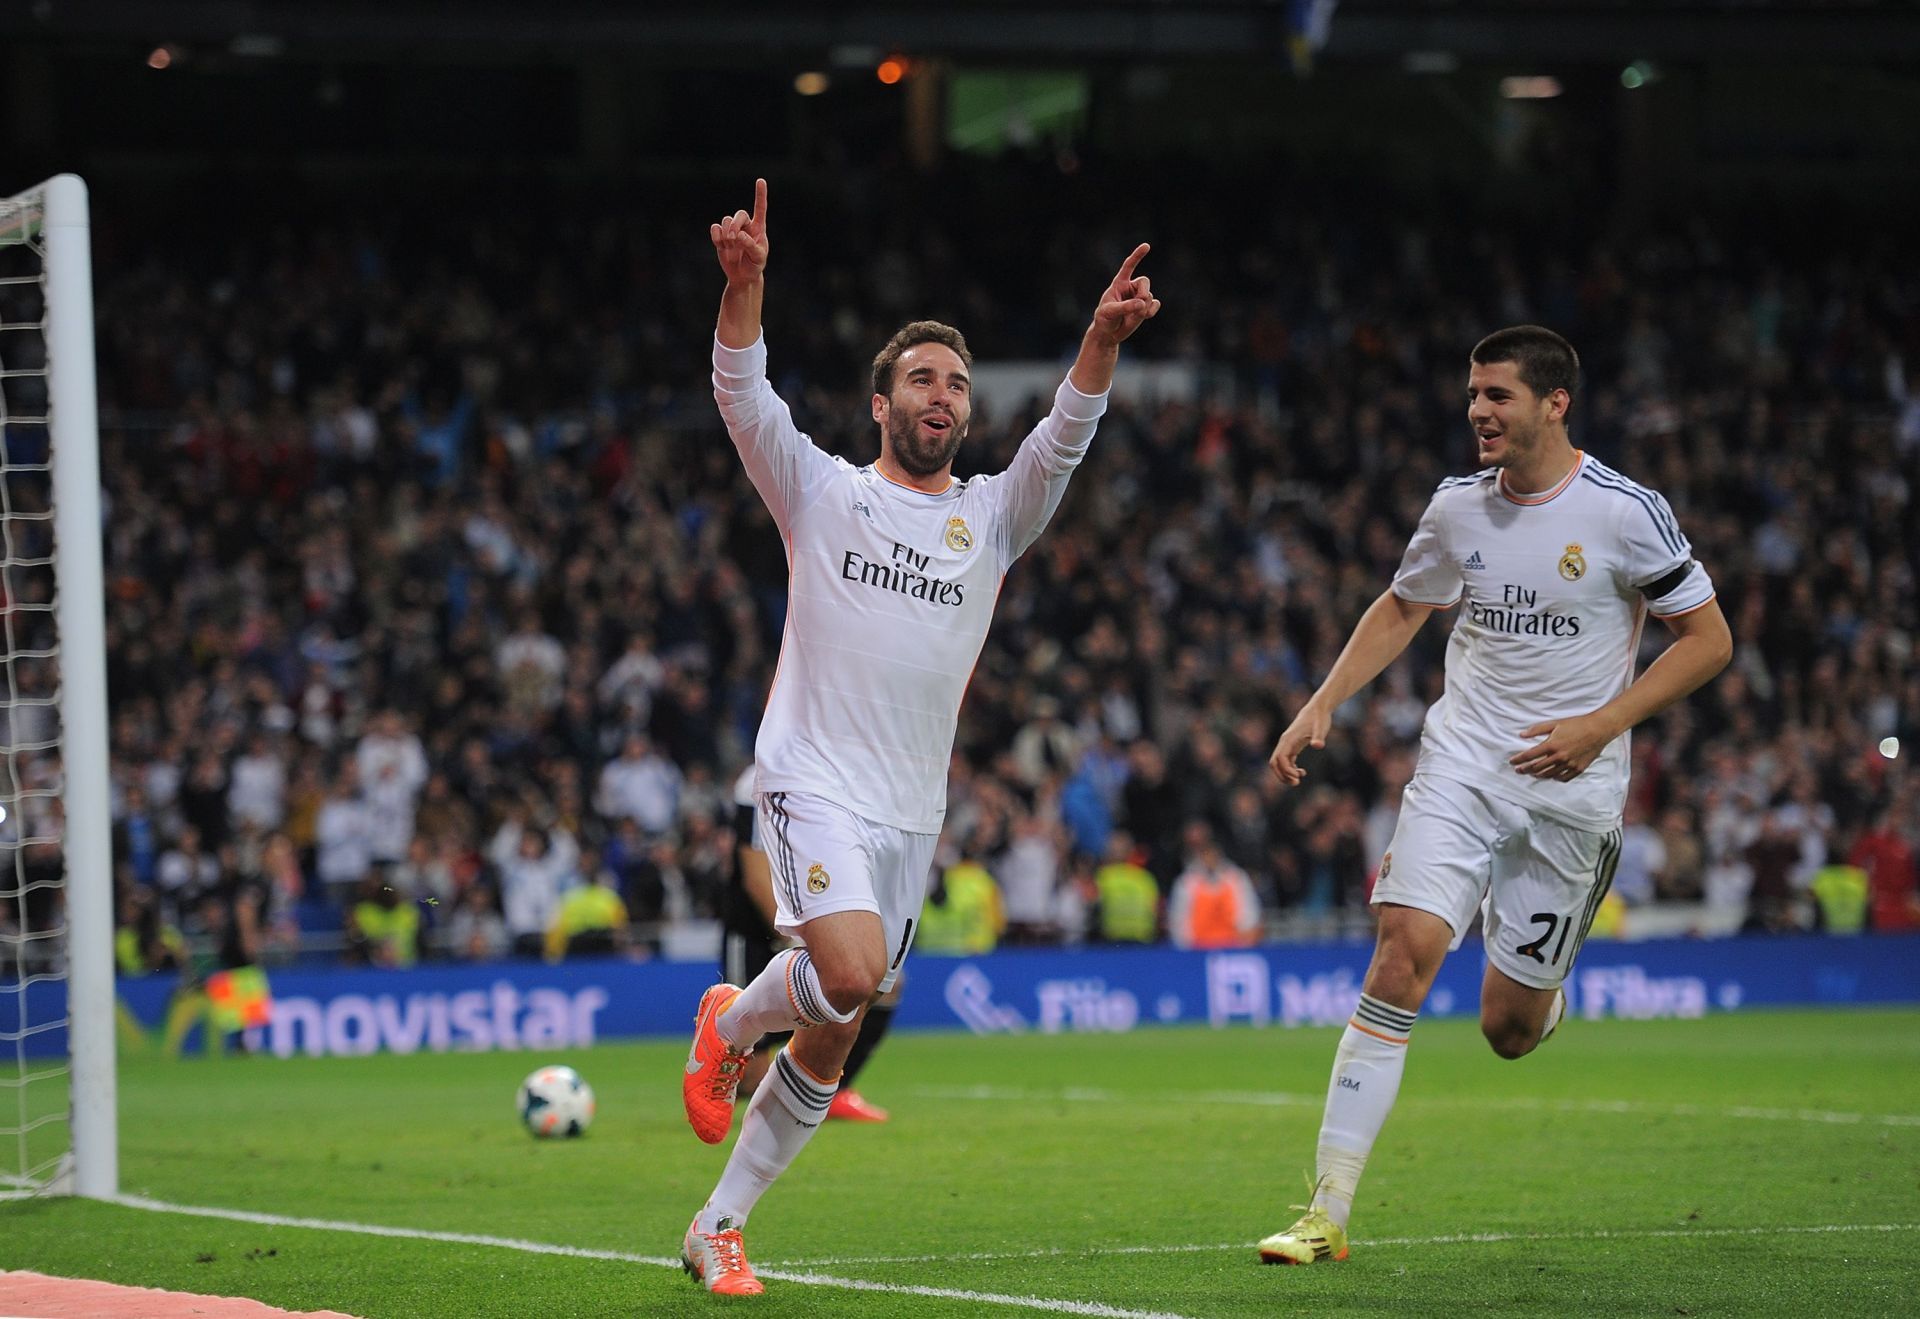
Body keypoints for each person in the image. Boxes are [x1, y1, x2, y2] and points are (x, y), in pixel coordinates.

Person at [679, 178, 1159, 1295]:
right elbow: (743, 395)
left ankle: (718, 1222)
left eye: (955, 381)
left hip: (910, 807)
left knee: (838, 1027)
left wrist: (1097, 338)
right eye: (920, 378)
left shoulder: (990, 517)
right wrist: (744, 288)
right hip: (810, 772)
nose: (942, 394)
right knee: (841, 972)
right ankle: (732, 1019)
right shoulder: (824, 492)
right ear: (881, 404)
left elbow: (1066, 438)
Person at [1258, 326, 1732, 1265]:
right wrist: (1323, 702)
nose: (1478, 410)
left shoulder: (1625, 513)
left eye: (1499, 395)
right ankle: (1327, 1210)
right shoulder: (1455, 508)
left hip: (1573, 791)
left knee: (1507, 1031)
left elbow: (1709, 639)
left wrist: (1600, 725)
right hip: (1463, 767)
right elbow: (1403, 606)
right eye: (1474, 393)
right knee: (1402, 953)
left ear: (1555, 403)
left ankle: (1541, 997)